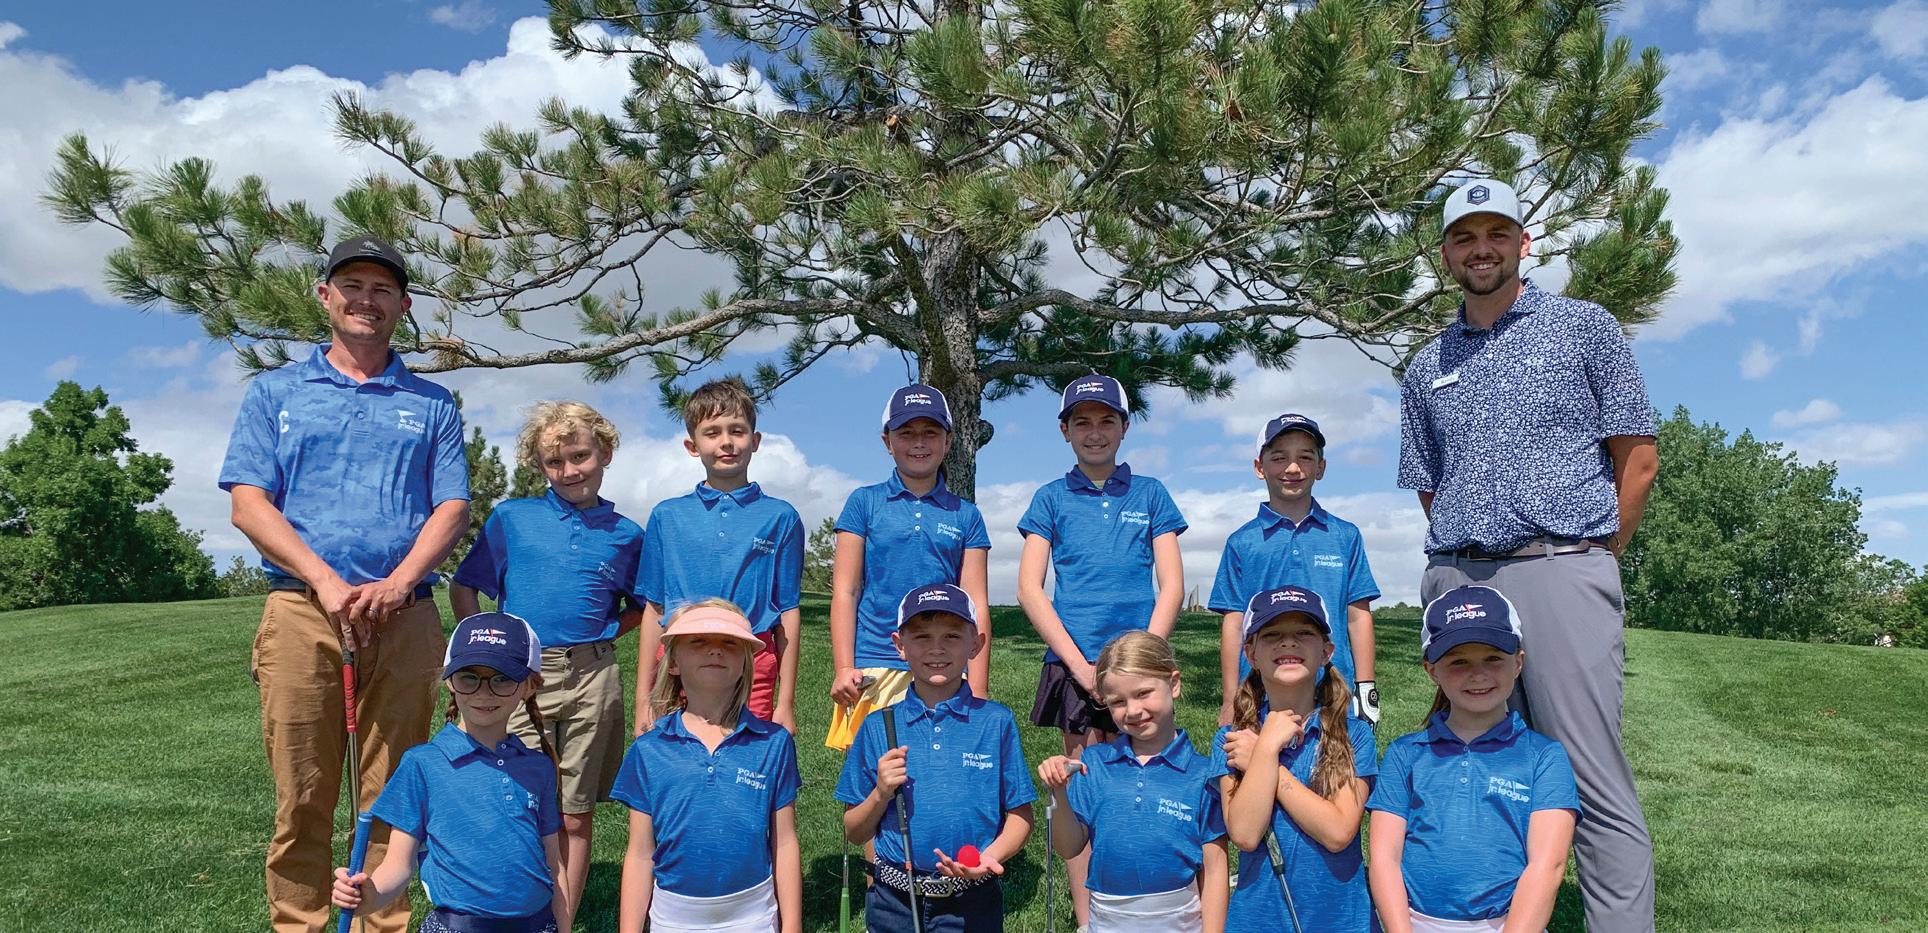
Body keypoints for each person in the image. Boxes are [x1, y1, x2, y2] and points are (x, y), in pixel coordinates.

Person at [1398, 177, 1659, 932]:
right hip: (1459, 573)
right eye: (1464, 237)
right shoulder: (1426, 363)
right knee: (1473, 766)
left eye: (1496, 234)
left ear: (1523, 242)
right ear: (1445, 252)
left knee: (1588, 777)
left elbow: (1637, 459)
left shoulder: (1585, 327)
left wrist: (1593, 554)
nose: (1481, 249)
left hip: (1561, 566)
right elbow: (1431, 482)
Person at [220, 234, 470, 933]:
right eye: (352, 285)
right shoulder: (275, 393)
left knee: (394, 796)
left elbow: (452, 506)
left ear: (404, 306)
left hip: (405, 615)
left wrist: (397, 582)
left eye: (382, 289)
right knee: (303, 796)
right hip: (303, 613)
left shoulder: (432, 403)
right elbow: (249, 502)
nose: (367, 300)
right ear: (325, 295)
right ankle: (299, 923)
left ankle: (380, 923)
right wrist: (327, 582)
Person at [449, 400, 643, 916]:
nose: (569, 470)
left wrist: (605, 634)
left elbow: (643, 606)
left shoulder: (627, 535)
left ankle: (561, 920)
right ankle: (511, 913)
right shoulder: (512, 519)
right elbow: (465, 586)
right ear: (538, 465)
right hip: (519, 678)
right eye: (554, 462)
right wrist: (481, 653)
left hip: (593, 679)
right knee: (514, 798)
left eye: (580, 456)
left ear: (605, 453)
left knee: (575, 814)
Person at [1018, 374, 1188, 928]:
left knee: (1146, 780)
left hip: (1138, 668)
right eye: (1083, 422)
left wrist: (1144, 662)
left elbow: (1172, 586)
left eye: (1106, 420)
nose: (1095, 432)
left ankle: (1153, 898)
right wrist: (1080, 667)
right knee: (1083, 787)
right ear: (1065, 430)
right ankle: (1089, 917)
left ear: (1125, 427)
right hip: (1075, 669)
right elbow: (1029, 589)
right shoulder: (1049, 498)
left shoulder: (1151, 494)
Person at [330, 612, 571, 933]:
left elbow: (555, 866)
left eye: (502, 678)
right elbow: (398, 865)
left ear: (529, 685)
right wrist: (369, 896)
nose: (484, 692)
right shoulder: (422, 765)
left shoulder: (538, 767)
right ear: (449, 681)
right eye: (469, 677)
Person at [1368, 586, 1580, 933]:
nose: (1478, 674)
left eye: (1493, 658)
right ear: (1431, 670)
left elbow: (1548, 866)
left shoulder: (1544, 756)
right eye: (1458, 661)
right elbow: (1383, 860)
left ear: (1518, 663)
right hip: (1412, 923)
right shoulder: (1405, 754)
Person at [836, 584, 1037, 932]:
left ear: (976, 644)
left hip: (972, 901)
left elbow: (1021, 817)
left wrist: (989, 859)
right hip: (893, 902)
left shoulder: (996, 722)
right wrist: (880, 793)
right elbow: (854, 831)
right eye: (922, 637)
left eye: (952, 636)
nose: (937, 648)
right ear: (899, 645)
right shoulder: (877, 726)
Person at [612, 601, 803, 933]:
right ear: (673, 662)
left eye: (730, 643)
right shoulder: (649, 750)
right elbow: (640, 853)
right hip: (673, 918)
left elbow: (784, 842)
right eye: (698, 641)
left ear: (746, 663)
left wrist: (792, 925)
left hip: (754, 916)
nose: (715, 650)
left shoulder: (774, 743)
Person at [826, 385, 993, 752]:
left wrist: (978, 687)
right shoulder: (863, 502)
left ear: (948, 442)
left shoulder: (967, 515)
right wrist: (844, 667)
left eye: (930, 432)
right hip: (875, 664)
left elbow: (976, 603)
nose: (919, 443)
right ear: (887, 441)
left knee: (942, 769)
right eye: (906, 433)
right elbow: (846, 591)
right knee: (876, 774)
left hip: (945, 664)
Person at [635, 378, 805, 732]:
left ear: (755, 441)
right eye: (712, 433)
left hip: (752, 663)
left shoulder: (781, 517)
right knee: (674, 756)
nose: (726, 442)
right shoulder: (667, 516)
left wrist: (786, 702)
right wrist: (643, 700)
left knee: (748, 755)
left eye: (737, 431)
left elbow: (788, 611)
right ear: (692, 445)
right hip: (679, 662)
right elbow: (654, 608)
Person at [1212, 586, 1378, 933]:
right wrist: (1267, 746)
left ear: (1326, 652)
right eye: (1272, 635)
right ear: (1251, 653)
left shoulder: (1355, 734)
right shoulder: (1232, 740)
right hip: (1259, 922)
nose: (1288, 643)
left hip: (1341, 921)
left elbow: (1338, 832)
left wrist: (1264, 761)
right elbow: (1244, 834)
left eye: (1304, 633)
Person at [1038, 631, 1228, 933]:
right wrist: (1058, 793)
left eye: (1143, 693)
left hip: (1180, 922)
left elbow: (1215, 868)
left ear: (1174, 684)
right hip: (1107, 920)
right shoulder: (1093, 764)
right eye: (1117, 702)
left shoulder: (1203, 774)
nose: (1133, 710)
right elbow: (1068, 847)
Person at [1210, 414, 1381, 728]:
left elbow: (1358, 617)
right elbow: (1233, 624)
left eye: (1305, 457)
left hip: (1334, 691)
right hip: (1259, 691)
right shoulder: (1241, 542)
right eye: (1279, 458)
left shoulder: (1345, 536)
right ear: (1259, 468)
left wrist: (1366, 690)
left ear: (1321, 467)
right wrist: (1230, 697)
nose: (1292, 468)